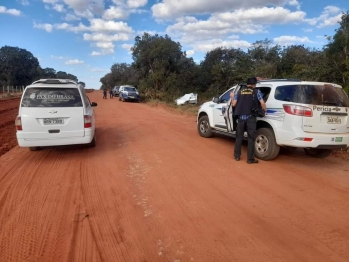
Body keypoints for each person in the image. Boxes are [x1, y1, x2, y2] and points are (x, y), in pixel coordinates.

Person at [230, 77, 267, 164]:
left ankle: (237, 156)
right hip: (251, 118)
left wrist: (232, 97)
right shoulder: (256, 92)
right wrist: (264, 111)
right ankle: (250, 159)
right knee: (251, 139)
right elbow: (262, 103)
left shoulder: (239, 92)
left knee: (239, 137)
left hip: (241, 119)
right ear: (254, 85)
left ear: (247, 84)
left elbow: (233, 104)